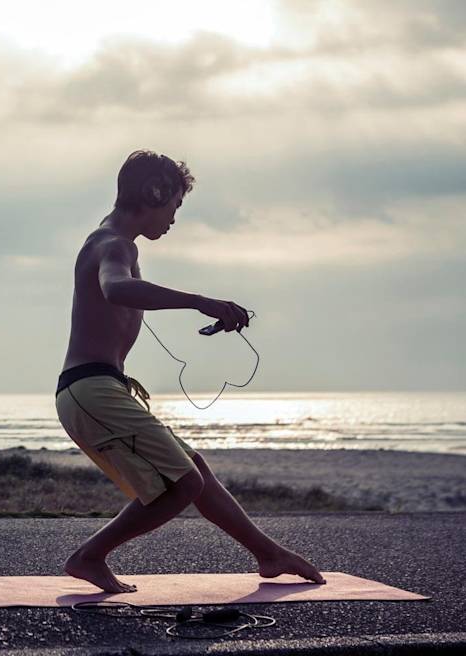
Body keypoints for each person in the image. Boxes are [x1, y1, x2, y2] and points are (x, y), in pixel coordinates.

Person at [54, 149, 326, 593]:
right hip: (91, 390)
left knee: (194, 470)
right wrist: (200, 300)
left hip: (101, 389)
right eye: (174, 206)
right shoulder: (113, 244)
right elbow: (116, 288)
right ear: (153, 193)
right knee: (181, 485)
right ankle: (89, 557)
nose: (174, 219)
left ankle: (268, 554)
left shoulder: (110, 242)